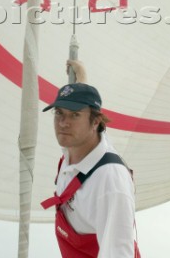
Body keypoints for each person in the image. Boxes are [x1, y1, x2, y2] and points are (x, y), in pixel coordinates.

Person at [41, 60, 141, 257]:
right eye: (59, 113)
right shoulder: (74, 147)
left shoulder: (110, 182)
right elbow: (83, 114)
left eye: (74, 115)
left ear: (95, 122)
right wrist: (81, 81)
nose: (63, 123)